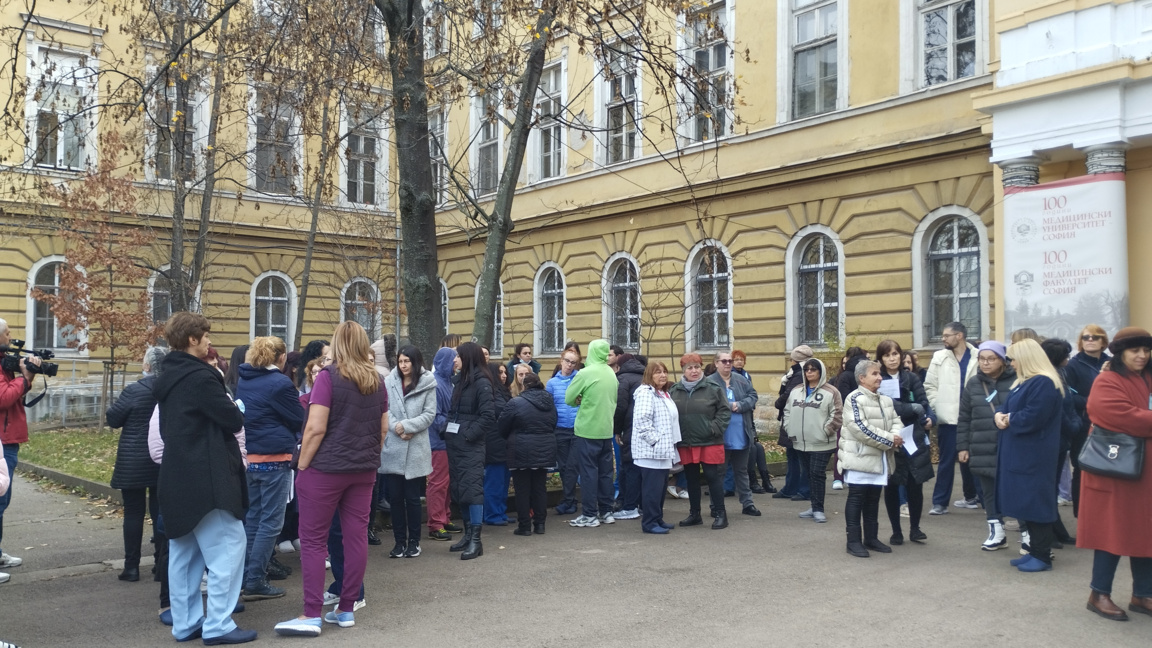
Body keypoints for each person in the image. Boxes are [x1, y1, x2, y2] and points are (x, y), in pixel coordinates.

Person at [274, 321, 387, 636]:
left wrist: (302, 466)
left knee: (312, 540)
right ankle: (347, 607)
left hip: (325, 469)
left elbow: (315, 428)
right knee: (355, 537)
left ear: (337, 344)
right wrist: (368, 457)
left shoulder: (328, 377)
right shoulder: (376, 381)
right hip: (363, 470)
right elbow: (383, 429)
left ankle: (311, 613)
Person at [153, 312, 255, 644]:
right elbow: (233, 419)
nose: (209, 341)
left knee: (185, 553)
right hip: (208, 476)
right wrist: (234, 406)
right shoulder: (201, 377)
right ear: (192, 339)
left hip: (176, 474)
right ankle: (219, 625)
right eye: (205, 335)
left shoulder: (167, 377)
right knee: (229, 547)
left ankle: (185, 624)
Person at [1079, 327, 1152, 620]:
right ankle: (1099, 594)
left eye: (1146, 350)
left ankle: (1143, 594)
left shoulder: (1147, 376)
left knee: (1146, 530)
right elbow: (1121, 416)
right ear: (1121, 353)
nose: (1142, 355)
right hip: (1114, 471)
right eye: (1135, 350)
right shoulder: (1107, 380)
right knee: (1112, 530)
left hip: (1144, 473)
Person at [232, 336, 304, 603]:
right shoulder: (280, 383)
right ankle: (255, 580)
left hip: (250, 457)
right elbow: (298, 418)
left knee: (253, 519)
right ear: (282, 357)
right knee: (271, 523)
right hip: (275, 457)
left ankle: (245, 577)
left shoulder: (245, 379)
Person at [994, 338, 1064, 573]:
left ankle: (1042, 555)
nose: (1011, 363)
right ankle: (1035, 551)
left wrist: (1008, 418)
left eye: (1013, 359)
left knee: (1037, 504)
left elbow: (1034, 416)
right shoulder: (1026, 382)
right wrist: (999, 415)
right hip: (1022, 453)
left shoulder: (1043, 382)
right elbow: (1007, 407)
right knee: (1027, 503)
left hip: (1034, 455)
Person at [106, 346, 168, 582]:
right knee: (160, 511)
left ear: (147, 366)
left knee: (133, 513)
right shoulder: (169, 390)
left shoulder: (134, 390)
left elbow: (114, 419)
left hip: (132, 462)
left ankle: (131, 567)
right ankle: (160, 564)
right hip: (160, 458)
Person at [839, 360, 905, 558]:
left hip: (879, 458)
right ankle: (853, 541)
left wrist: (896, 436)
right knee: (856, 498)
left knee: (873, 499)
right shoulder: (854, 398)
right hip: (859, 457)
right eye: (874, 374)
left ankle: (871, 538)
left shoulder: (885, 400)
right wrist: (890, 440)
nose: (879, 377)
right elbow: (860, 428)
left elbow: (896, 421)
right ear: (862, 378)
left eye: (879, 374)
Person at [957, 341, 1016, 551]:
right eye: (982, 359)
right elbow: (964, 417)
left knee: (1016, 490)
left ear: (1002, 360)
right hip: (981, 445)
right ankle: (996, 532)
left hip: (1010, 445)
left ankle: (1028, 534)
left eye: (991, 359)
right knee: (988, 492)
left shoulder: (1016, 380)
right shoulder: (974, 383)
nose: (986, 363)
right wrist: (962, 447)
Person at [874, 340, 934, 546]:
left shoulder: (911, 377)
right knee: (892, 485)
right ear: (881, 359)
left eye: (895, 354)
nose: (892, 359)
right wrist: (910, 408)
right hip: (889, 436)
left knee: (915, 484)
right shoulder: (878, 379)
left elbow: (923, 403)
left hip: (912, 435)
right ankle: (896, 531)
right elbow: (883, 407)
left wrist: (919, 412)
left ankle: (915, 528)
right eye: (887, 355)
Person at [381, 345, 436, 559]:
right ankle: (398, 542)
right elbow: (385, 409)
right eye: (400, 361)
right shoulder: (389, 381)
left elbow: (429, 413)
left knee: (413, 498)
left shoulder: (427, 382)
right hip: (394, 445)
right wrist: (397, 427)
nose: (403, 365)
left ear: (415, 362)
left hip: (415, 446)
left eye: (407, 361)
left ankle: (414, 542)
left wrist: (407, 426)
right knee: (395, 498)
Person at [0, 317, 41, 583]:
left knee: (2, 502)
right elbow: (3, 398)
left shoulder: (4, 362)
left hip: (7, 439)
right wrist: (25, 378)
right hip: (2, 442)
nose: (10, 335)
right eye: (7, 332)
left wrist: (27, 378)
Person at [445, 342, 494, 560]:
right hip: (456, 445)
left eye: (458, 356)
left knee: (472, 491)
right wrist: (446, 431)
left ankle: (476, 540)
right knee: (461, 490)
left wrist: (467, 435)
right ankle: (467, 535)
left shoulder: (482, 383)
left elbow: (488, 416)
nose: (454, 360)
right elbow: (453, 412)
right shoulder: (460, 382)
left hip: (470, 446)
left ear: (468, 358)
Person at [670, 353, 731, 530]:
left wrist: (714, 428)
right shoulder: (674, 390)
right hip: (687, 441)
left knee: (712, 477)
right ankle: (695, 514)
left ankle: (720, 514)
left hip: (709, 441)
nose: (694, 371)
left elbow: (724, 411)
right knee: (691, 479)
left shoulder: (713, 388)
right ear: (683, 371)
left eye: (697, 367)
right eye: (689, 368)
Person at [925, 321, 978, 515]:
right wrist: (937, 405)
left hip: (973, 417)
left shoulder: (978, 356)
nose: (943, 339)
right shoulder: (939, 357)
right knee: (946, 462)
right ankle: (940, 503)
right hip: (948, 418)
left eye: (947, 335)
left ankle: (973, 496)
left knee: (973, 460)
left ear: (959, 336)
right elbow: (930, 385)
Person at [565, 340, 620, 528]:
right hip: (606, 430)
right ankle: (606, 511)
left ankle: (589, 514)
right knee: (606, 474)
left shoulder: (585, 373)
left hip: (587, 430)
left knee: (589, 473)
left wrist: (579, 400)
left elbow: (569, 398)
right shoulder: (611, 374)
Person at [497, 372, 557, 536]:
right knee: (540, 488)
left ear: (524, 385)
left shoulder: (516, 402)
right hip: (544, 449)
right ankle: (540, 524)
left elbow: (502, 426)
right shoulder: (549, 402)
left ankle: (524, 526)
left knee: (522, 489)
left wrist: (512, 437)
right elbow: (553, 423)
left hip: (520, 449)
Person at [783, 358, 842, 524]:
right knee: (809, 474)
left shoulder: (831, 392)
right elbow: (787, 411)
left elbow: (837, 414)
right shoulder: (796, 390)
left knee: (817, 474)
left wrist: (826, 430)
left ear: (820, 372)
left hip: (822, 443)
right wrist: (789, 428)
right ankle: (813, 506)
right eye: (807, 369)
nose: (809, 372)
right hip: (800, 442)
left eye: (813, 369)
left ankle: (818, 509)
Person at [707, 350, 761, 517]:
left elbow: (753, 396)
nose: (728, 364)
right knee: (719, 472)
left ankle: (748, 504)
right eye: (724, 361)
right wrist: (728, 406)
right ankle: (715, 506)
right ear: (716, 363)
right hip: (720, 436)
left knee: (742, 471)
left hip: (741, 434)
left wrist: (742, 405)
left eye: (730, 361)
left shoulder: (741, 380)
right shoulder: (709, 382)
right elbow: (706, 404)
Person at [630, 360, 680, 534]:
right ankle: (649, 523)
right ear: (649, 375)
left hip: (663, 451)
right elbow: (642, 421)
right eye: (658, 372)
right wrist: (655, 442)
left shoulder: (662, 393)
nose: (663, 375)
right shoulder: (646, 393)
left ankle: (657, 518)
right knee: (652, 489)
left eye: (664, 371)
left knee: (659, 489)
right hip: (651, 452)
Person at [1064, 324, 1110, 517]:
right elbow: (1069, 396)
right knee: (1082, 468)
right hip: (1084, 425)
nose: (1090, 340)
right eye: (1086, 337)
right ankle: (1081, 514)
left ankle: (1103, 513)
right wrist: (1094, 401)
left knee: (1107, 469)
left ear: (1103, 342)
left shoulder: (1112, 363)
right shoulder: (1073, 365)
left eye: (1095, 337)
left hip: (1109, 425)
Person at [1039, 338, 1081, 547]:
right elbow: (1062, 410)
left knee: (1052, 487)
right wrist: (1075, 426)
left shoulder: (1059, 373)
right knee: (1048, 488)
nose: (1069, 358)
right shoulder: (1050, 377)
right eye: (1066, 354)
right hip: (1055, 439)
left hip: (1061, 439)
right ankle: (1049, 533)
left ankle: (1056, 530)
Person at [774, 345, 813, 499]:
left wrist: (778, 403)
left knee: (799, 457)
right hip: (794, 418)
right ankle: (792, 487)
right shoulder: (796, 373)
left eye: (792, 359)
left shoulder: (798, 374)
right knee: (794, 455)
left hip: (797, 419)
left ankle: (802, 490)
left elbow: (789, 395)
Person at [427, 347, 458, 542]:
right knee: (438, 483)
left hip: (448, 440)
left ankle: (445, 517)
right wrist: (455, 426)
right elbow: (435, 416)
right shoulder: (436, 384)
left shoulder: (448, 382)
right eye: (454, 360)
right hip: (438, 441)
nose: (456, 363)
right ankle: (435, 523)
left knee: (447, 483)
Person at [732, 350, 774, 494]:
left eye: (741, 359)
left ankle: (765, 479)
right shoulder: (731, 377)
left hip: (747, 414)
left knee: (759, 447)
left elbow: (751, 396)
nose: (739, 362)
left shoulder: (746, 375)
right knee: (752, 448)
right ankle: (752, 481)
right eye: (736, 359)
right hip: (737, 421)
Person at [546, 347, 581, 514]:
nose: (569, 365)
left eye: (573, 362)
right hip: (559, 429)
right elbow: (548, 406)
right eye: (567, 361)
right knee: (564, 467)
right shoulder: (552, 383)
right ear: (561, 361)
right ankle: (570, 500)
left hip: (577, 429)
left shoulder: (580, 380)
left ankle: (569, 501)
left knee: (572, 466)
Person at [613, 353, 646, 519]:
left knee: (629, 467)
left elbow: (620, 407)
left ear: (619, 366)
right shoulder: (645, 376)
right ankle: (642, 505)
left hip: (630, 428)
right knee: (643, 468)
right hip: (646, 428)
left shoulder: (623, 379)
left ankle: (629, 506)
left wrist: (617, 430)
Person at [483, 361, 514, 526]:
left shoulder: (503, 391)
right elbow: (503, 411)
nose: (503, 376)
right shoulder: (491, 393)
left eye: (505, 373)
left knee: (503, 481)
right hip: (495, 443)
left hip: (504, 443)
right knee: (494, 482)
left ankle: (500, 512)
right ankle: (492, 514)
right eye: (500, 373)